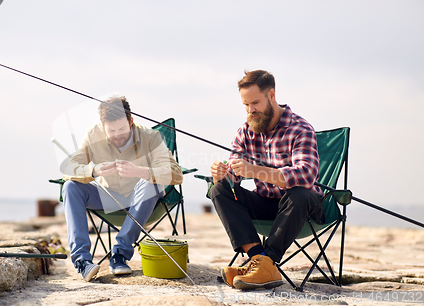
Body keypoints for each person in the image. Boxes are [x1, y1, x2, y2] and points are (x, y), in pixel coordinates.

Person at [209, 70, 325, 290]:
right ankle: (259, 260)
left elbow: (307, 175)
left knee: (299, 193)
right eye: (245, 105)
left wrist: (257, 171)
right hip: (266, 202)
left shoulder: (300, 129)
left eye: (255, 103)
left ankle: (265, 263)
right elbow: (236, 173)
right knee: (219, 189)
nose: (250, 110)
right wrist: (223, 174)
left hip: (302, 207)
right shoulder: (245, 131)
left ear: (271, 95)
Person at [62, 96, 183, 281]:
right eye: (111, 130)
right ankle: (83, 262)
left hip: (141, 201)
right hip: (107, 197)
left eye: (122, 129)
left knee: (151, 182)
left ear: (131, 121)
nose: (117, 135)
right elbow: (69, 169)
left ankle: (119, 255)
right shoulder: (92, 134)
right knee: (70, 186)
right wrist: (93, 170)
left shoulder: (150, 136)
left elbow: (176, 173)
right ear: (103, 127)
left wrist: (141, 171)